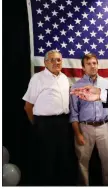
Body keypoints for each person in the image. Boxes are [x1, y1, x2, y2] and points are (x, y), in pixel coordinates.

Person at [23, 50, 76, 185]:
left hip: (64, 123)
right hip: (44, 124)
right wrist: (37, 125)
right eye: (52, 60)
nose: (55, 62)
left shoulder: (64, 78)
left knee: (63, 159)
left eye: (58, 60)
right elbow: (28, 106)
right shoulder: (38, 78)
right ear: (45, 62)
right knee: (47, 160)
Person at [69, 53, 108, 186]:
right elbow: (74, 113)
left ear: (97, 65)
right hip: (85, 128)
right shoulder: (76, 86)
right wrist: (78, 134)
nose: (92, 66)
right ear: (83, 67)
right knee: (83, 163)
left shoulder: (106, 84)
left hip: (104, 127)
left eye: (94, 63)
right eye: (88, 64)